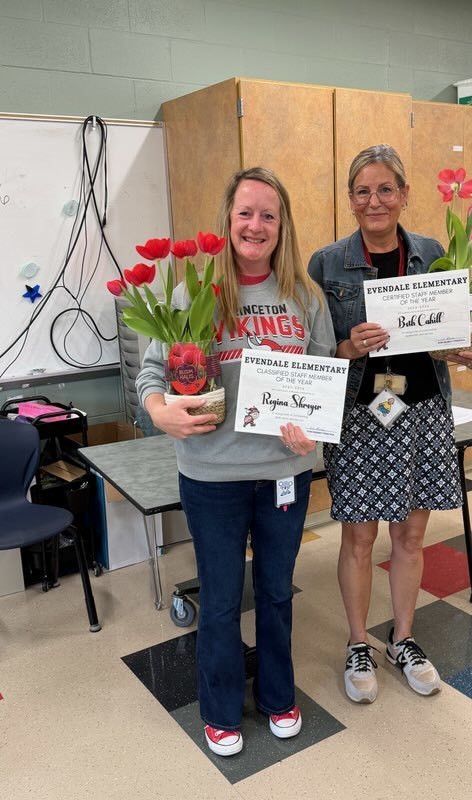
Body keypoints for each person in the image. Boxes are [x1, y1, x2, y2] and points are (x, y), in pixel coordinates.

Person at [136, 166, 336, 755]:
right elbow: (152, 374)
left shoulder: (305, 296)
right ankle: (220, 709)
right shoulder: (191, 295)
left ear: (283, 226)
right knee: (221, 601)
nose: (256, 224)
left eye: (268, 215)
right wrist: (159, 411)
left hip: (282, 473)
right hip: (211, 476)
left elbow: (325, 376)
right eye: (245, 212)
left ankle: (278, 695)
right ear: (228, 220)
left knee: (276, 592)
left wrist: (314, 436)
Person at [308, 144, 472, 703]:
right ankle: (359, 642)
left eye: (385, 189)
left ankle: (405, 638)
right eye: (362, 191)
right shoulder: (327, 263)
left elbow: (464, 334)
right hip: (362, 416)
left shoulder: (436, 254)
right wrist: (347, 345)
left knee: (411, 535)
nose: (374, 201)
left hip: (422, 410)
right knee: (360, 537)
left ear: (404, 195)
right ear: (350, 198)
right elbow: (315, 352)